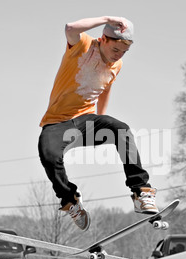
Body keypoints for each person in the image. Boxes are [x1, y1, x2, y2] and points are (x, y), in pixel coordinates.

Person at [38, 16, 158, 232]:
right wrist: (107, 18)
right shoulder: (83, 46)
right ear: (104, 39)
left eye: (123, 53)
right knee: (48, 155)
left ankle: (141, 191)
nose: (118, 56)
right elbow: (70, 27)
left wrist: (100, 120)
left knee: (121, 129)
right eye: (115, 50)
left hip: (85, 121)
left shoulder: (116, 65)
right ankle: (70, 200)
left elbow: (105, 88)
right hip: (57, 122)